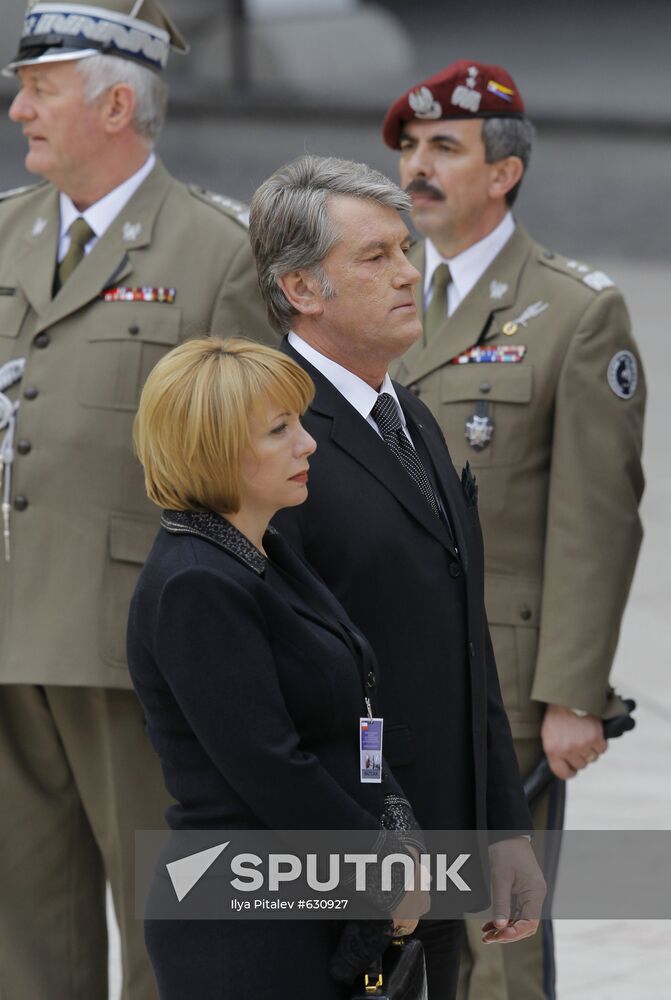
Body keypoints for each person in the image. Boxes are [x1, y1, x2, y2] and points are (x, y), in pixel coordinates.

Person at [0, 3, 275, 998]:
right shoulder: (2, 234)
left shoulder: (217, 254)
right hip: (9, 636)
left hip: (140, 650)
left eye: (41, 89)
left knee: (172, 935)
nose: (18, 108)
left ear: (118, 104)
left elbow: (259, 472)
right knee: (23, 940)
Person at [249, 154, 546, 1000]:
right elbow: (266, 685)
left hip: (437, 855)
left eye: (405, 249)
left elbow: (461, 641)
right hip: (346, 870)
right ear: (302, 288)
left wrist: (499, 828)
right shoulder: (268, 432)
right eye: (374, 257)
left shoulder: (406, 411)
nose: (409, 272)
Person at [381, 59, 646, 1000]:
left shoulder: (575, 312)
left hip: (501, 683)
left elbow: (596, 518)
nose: (417, 167)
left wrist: (571, 693)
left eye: (442, 148)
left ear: (503, 172)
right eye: (408, 148)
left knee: (498, 938)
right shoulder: (371, 295)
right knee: (377, 921)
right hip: (371, 674)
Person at [129, 335, 427, 1000]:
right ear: (213, 448)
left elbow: (356, 719)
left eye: (297, 422)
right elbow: (267, 763)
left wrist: (399, 828)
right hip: (243, 924)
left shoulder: (263, 553)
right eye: (278, 430)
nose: (308, 443)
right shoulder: (196, 583)